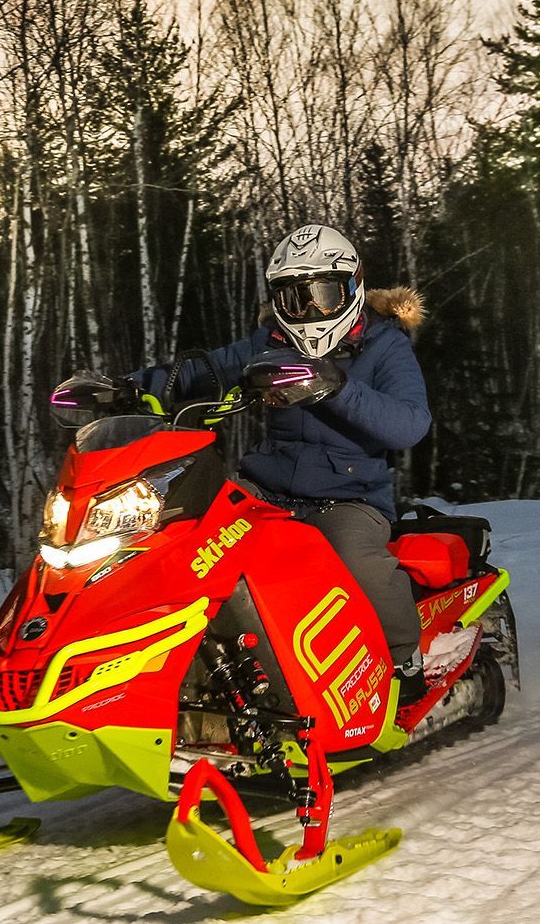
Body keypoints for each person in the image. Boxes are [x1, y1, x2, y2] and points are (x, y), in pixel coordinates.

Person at [129, 223, 429, 691]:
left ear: (352, 287)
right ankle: (186, 671)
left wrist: (336, 386)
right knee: (187, 547)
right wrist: (128, 388)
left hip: (350, 498)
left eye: (323, 295)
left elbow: (411, 424)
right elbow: (197, 372)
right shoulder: (268, 344)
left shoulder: (383, 345)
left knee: (352, 558)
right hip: (265, 491)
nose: (309, 310)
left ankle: (400, 661)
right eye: (294, 299)